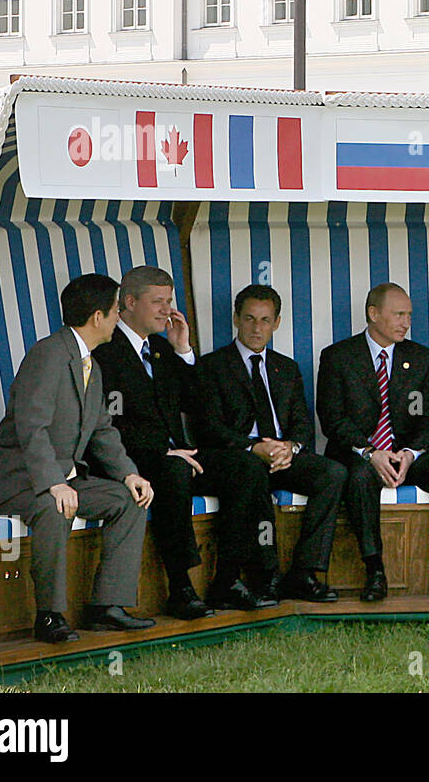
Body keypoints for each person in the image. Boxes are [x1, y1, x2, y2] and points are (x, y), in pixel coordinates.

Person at [94, 265, 278, 619]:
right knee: (174, 471)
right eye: (158, 302)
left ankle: (227, 580)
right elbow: (106, 424)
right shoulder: (105, 350)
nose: (167, 309)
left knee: (246, 466)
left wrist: (183, 351)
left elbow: (195, 405)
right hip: (134, 460)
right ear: (129, 302)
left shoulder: (161, 349)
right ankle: (180, 587)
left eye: (169, 301)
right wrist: (164, 451)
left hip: (177, 453)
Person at [0, 273, 156, 643]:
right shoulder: (49, 355)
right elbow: (33, 427)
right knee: (53, 507)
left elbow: (102, 430)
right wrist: (55, 483)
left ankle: (107, 606)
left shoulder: (89, 362)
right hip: (18, 477)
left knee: (129, 500)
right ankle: (49, 616)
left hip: (61, 477)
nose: (117, 320)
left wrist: (129, 475)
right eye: (114, 312)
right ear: (97, 316)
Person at [318, 282, 429, 602]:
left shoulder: (420, 357)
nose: (406, 322)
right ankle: (375, 571)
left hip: (406, 455)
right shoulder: (338, 357)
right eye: (398, 314)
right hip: (360, 453)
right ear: (373, 314)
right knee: (360, 477)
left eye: (409, 315)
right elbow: (332, 420)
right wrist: (371, 452)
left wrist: (410, 453)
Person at [195, 284, 348, 604]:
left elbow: (303, 424)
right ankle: (266, 577)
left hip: (282, 455)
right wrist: (252, 448)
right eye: (249, 318)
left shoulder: (286, 368)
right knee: (252, 470)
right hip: (240, 457)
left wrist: (289, 449)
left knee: (332, 473)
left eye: (265, 320)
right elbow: (207, 427)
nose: (256, 328)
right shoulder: (212, 366)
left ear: (277, 323)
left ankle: (305, 573)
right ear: (236, 319)